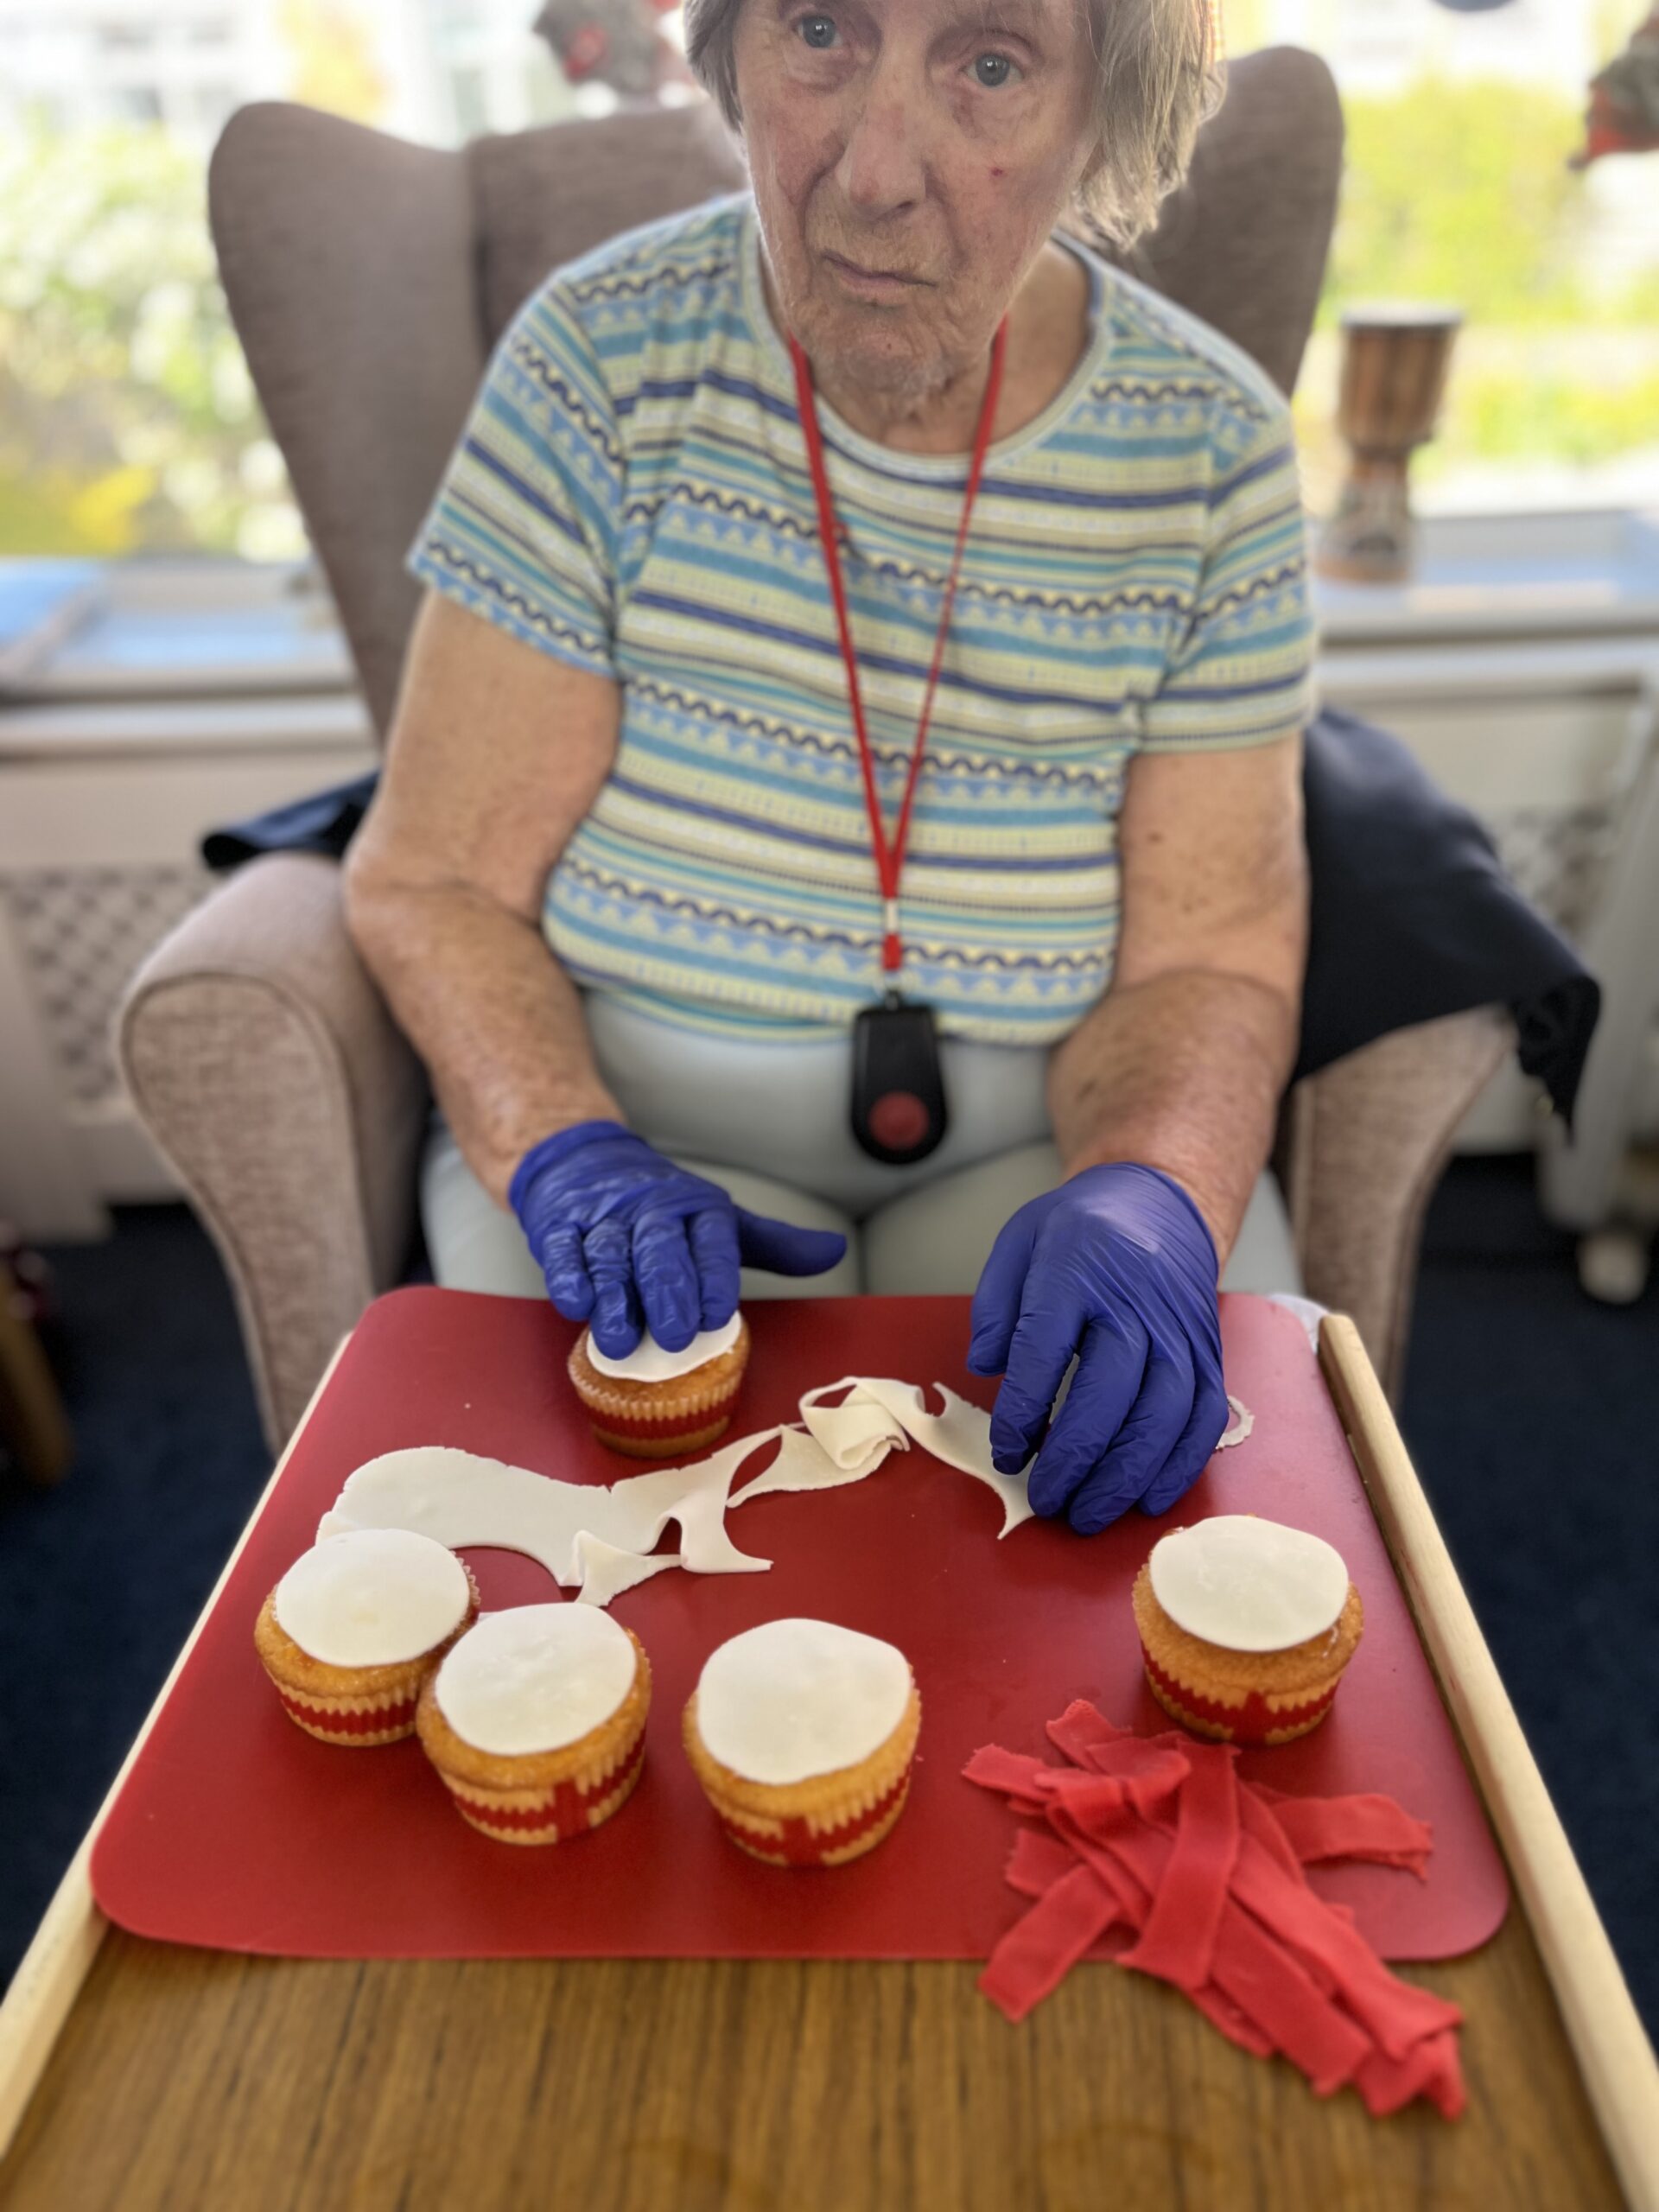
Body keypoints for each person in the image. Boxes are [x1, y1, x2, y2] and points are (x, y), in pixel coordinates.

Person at [342, 0, 1317, 1537]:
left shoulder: (1212, 449)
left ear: (1097, 121)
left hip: (1043, 1147)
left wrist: (1154, 1192)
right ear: (726, 57)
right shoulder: (600, 361)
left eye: (990, 66)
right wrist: (566, 1149)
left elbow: (1211, 952)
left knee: (1197, 1556)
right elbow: (433, 877)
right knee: (594, 1602)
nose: (873, 171)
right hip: (645, 1146)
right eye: (820, 32)